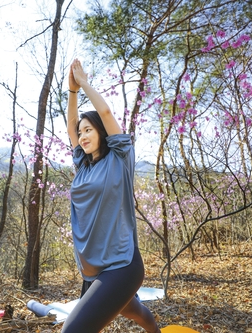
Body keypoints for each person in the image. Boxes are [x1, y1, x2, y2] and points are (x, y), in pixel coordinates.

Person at [62, 59, 161, 333]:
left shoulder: (119, 158)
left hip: (122, 265)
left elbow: (104, 110)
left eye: (88, 130)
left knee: (72, 331)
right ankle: (154, 328)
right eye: (80, 133)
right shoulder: (83, 166)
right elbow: (71, 125)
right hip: (94, 269)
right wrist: (71, 93)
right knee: (132, 309)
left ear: (102, 133)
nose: (81, 136)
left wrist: (82, 83)